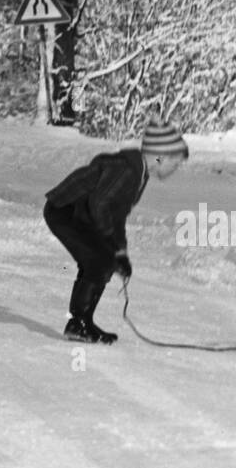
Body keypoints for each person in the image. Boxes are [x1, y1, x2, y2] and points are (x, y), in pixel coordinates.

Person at [44, 118, 189, 344]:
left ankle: (83, 322)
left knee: (103, 260)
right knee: (98, 261)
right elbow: (100, 204)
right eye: (176, 162)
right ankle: (78, 323)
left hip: (79, 213)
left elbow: (117, 216)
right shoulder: (129, 170)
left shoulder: (140, 175)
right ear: (161, 156)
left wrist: (120, 252)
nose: (176, 168)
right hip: (65, 211)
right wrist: (109, 244)